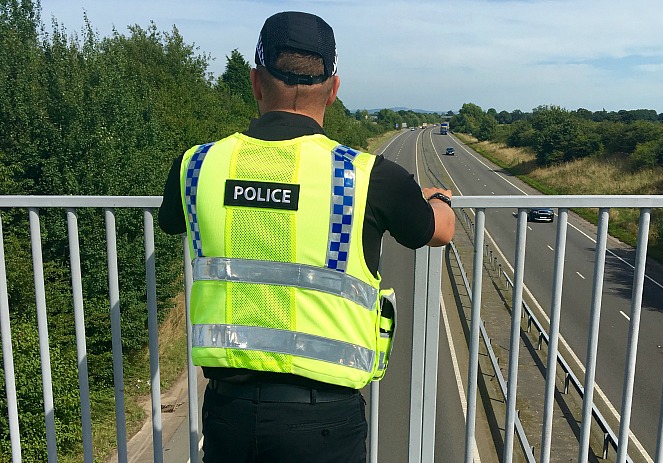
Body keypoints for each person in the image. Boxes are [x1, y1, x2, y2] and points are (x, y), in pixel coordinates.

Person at [158, 11, 455, 463]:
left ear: (256, 82)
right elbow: (437, 232)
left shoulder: (197, 165)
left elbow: (173, 222)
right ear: (333, 90)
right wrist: (437, 199)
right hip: (325, 422)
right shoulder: (366, 177)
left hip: (229, 412)